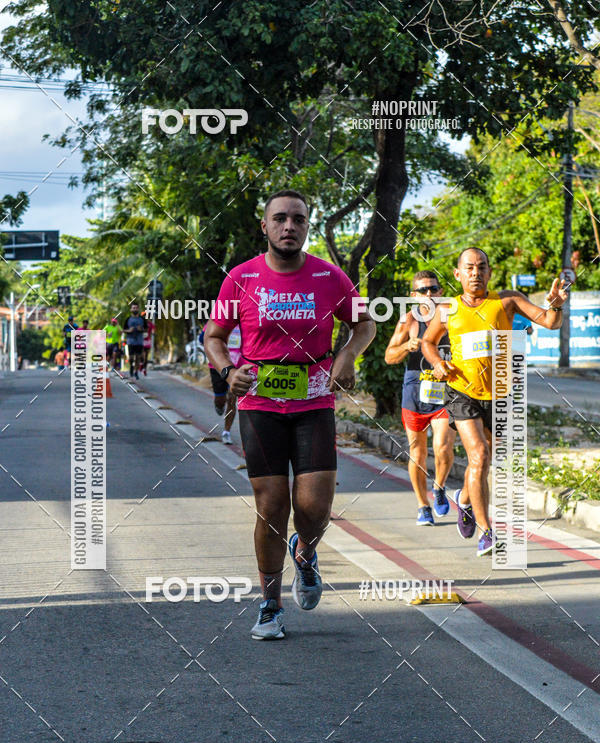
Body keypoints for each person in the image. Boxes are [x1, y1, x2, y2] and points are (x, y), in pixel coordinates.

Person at [204, 189, 375, 640]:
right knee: (272, 506)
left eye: (298, 219)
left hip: (315, 400)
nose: (288, 226)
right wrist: (227, 370)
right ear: (264, 226)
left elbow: (366, 323)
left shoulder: (329, 276)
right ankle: (269, 605)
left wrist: (348, 355)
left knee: (314, 508)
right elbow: (215, 335)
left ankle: (306, 551)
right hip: (260, 403)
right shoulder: (240, 279)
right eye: (279, 219)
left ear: (306, 225)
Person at [422, 247, 568, 556]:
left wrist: (555, 306)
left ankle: (463, 498)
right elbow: (427, 342)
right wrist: (436, 362)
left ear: (490, 272)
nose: (476, 273)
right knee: (479, 456)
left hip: (500, 391)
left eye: (482, 267)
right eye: (469, 268)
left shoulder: (507, 300)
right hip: (462, 391)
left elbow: (551, 322)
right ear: (458, 275)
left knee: (491, 459)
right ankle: (487, 533)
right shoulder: (447, 308)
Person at [385, 271, 455, 525]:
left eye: (434, 289)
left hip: (446, 392)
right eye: (423, 290)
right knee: (417, 451)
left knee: (443, 446)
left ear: (440, 291)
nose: (429, 294)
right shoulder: (409, 321)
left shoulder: (453, 316)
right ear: (413, 296)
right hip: (415, 391)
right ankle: (422, 505)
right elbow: (389, 356)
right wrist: (406, 346)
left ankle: (439, 486)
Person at [207, 324, 242, 444]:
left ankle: (226, 432)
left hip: (237, 366)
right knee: (220, 399)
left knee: (232, 400)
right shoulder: (218, 320)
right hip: (218, 366)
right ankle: (219, 405)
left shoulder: (244, 322)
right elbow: (204, 338)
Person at [123, 302, 146, 379]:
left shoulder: (142, 319)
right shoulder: (128, 319)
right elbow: (124, 329)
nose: (135, 309)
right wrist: (129, 331)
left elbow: (146, 329)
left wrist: (141, 329)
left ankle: (136, 372)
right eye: (133, 308)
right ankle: (131, 367)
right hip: (130, 341)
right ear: (131, 309)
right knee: (131, 358)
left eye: (136, 308)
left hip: (139, 341)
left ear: (138, 309)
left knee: (138, 357)